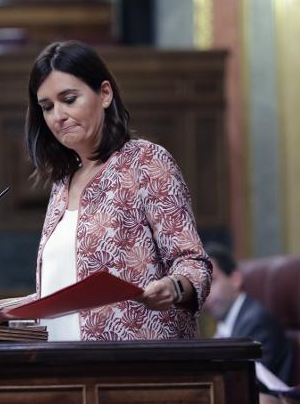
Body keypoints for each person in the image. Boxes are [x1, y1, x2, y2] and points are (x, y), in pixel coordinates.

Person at [24, 40, 212, 340]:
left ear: (105, 94)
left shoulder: (145, 161)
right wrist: (7, 309)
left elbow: (193, 263)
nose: (57, 115)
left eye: (69, 99)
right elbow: (66, 290)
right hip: (61, 365)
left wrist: (174, 287)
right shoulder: (62, 184)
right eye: (47, 107)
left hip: (134, 365)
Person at [203, 242, 293, 387]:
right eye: (201, 288)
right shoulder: (227, 325)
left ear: (235, 279)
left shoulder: (256, 322)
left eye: (212, 281)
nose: (205, 295)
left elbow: (248, 386)